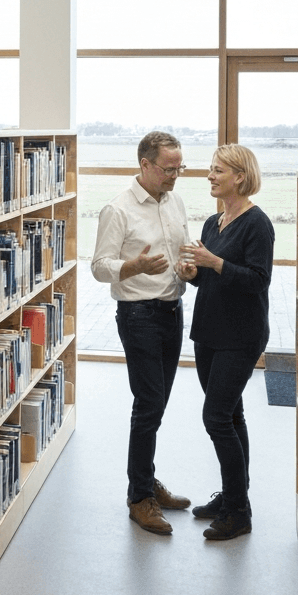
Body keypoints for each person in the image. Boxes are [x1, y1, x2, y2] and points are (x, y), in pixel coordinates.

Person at [91, 131, 193, 535]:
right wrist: (133, 267)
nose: (175, 176)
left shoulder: (175, 201)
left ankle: (148, 480)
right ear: (145, 165)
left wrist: (187, 269)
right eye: (168, 169)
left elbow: (180, 251)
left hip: (173, 310)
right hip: (139, 315)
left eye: (179, 168)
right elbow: (100, 266)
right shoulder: (118, 209)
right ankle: (139, 497)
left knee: (158, 403)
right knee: (148, 404)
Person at [176, 144, 274, 541]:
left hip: (241, 336)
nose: (210, 176)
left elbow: (257, 281)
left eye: (218, 171)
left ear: (240, 176)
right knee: (232, 416)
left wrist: (214, 262)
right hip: (209, 333)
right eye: (210, 170)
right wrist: (192, 272)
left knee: (215, 417)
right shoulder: (213, 223)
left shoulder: (258, 224)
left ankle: (239, 511)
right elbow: (209, 278)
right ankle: (234, 496)